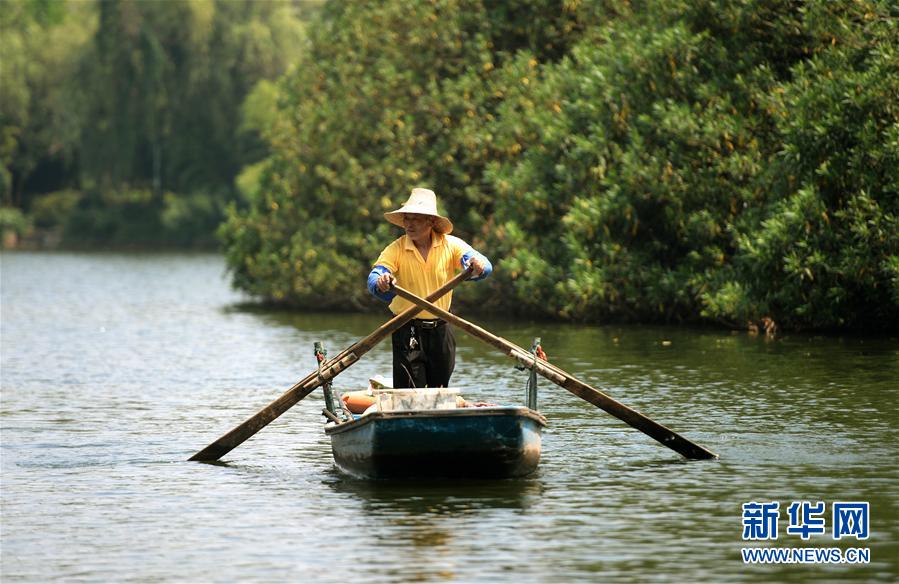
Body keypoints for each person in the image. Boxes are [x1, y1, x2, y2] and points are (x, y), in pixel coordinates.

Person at [367, 187, 492, 389]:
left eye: (415, 218)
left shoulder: (451, 245)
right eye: (406, 218)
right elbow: (374, 278)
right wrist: (382, 281)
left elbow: (482, 264)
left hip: (442, 328)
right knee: (409, 390)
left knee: (440, 388)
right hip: (406, 328)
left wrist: (477, 265)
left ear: (431, 221)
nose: (409, 224)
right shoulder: (396, 249)